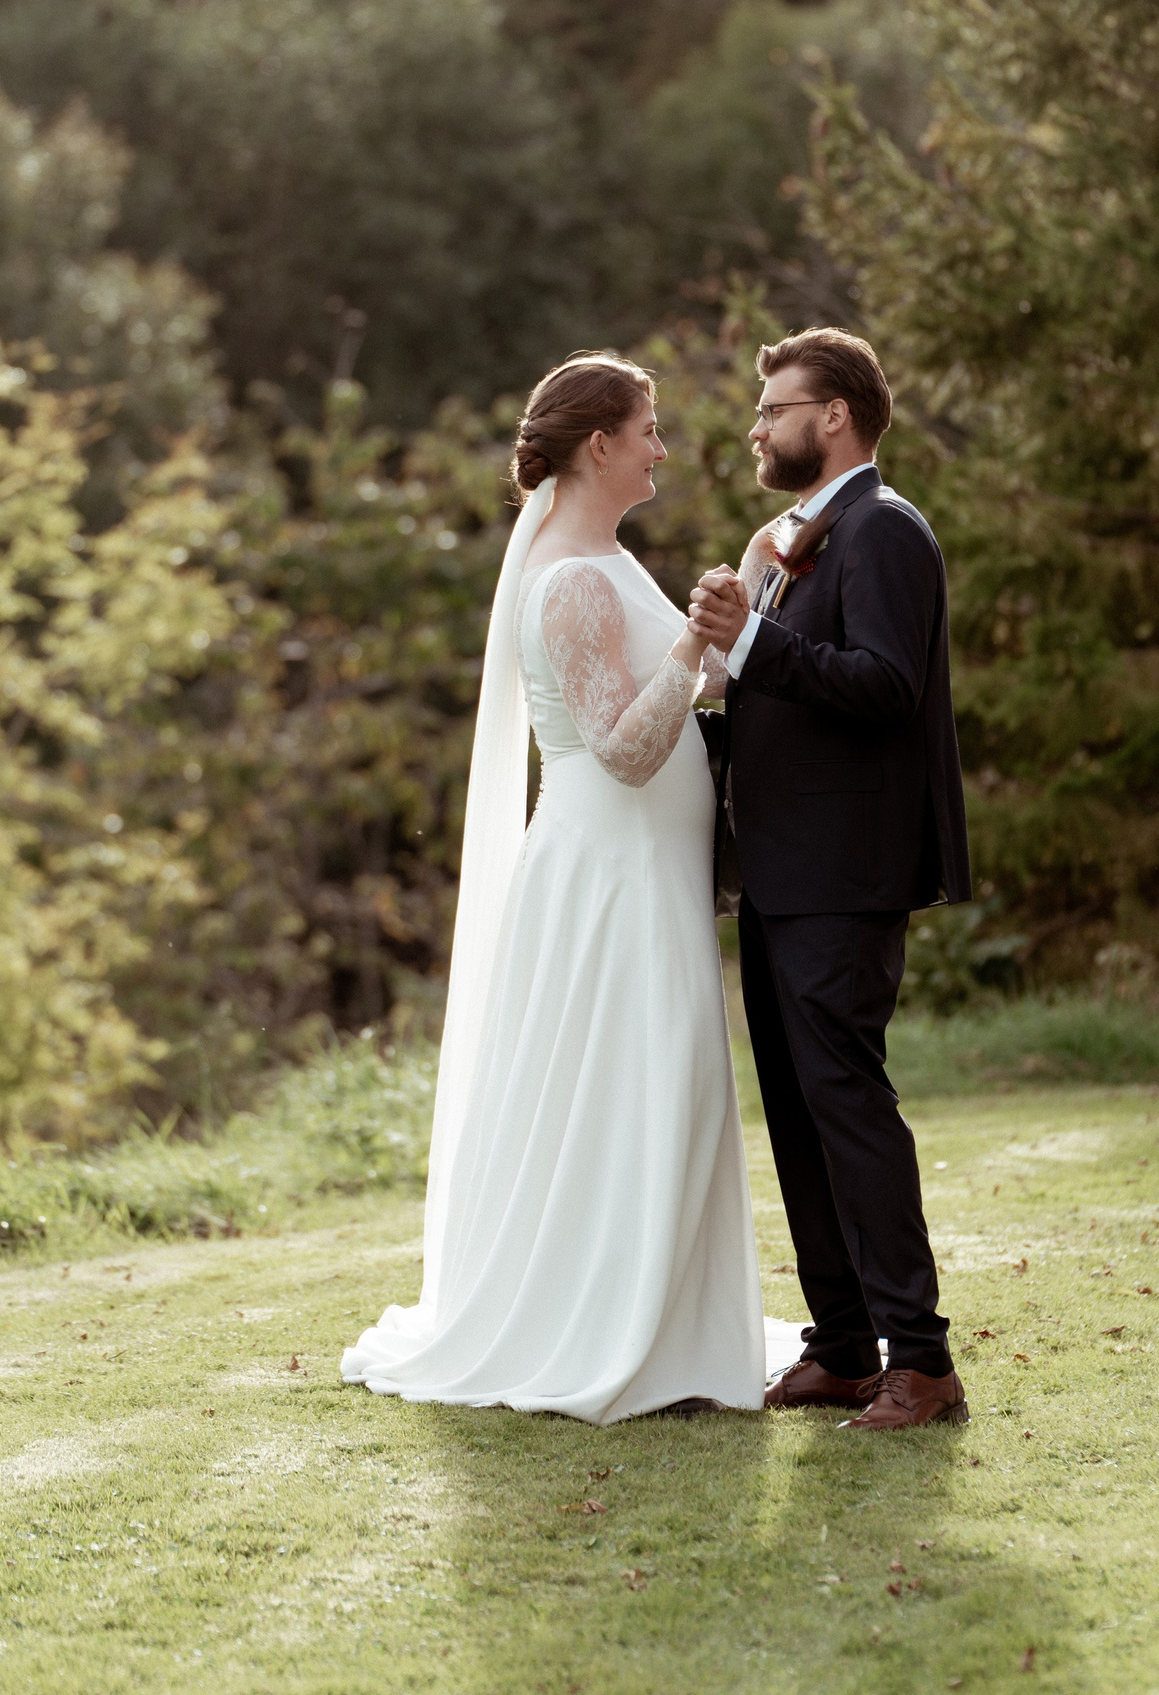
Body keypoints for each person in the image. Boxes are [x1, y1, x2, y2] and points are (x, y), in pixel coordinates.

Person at [340, 353, 762, 1424]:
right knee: (637, 1084)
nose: (663, 449)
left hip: (648, 868)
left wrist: (738, 609)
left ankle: (672, 1326)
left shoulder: (608, 559)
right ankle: (609, 1327)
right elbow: (622, 748)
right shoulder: (569, 578)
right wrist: (694, 651)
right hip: (608, 877)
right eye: (650, 429)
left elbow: (681, 679)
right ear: (599, 444)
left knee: (670, 1083)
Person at [687, 328, 976, 1431]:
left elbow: (887, 687)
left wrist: (752, 650)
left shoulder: (883, 531)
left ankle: (925, 1360)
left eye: (773, 408)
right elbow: (795, 706)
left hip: (844, 877)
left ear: (835, 417)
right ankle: (844, 1346)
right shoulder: (806, 539)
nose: (757, 427)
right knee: (801, 1117)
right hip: (778, 874)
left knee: (849, 1108)